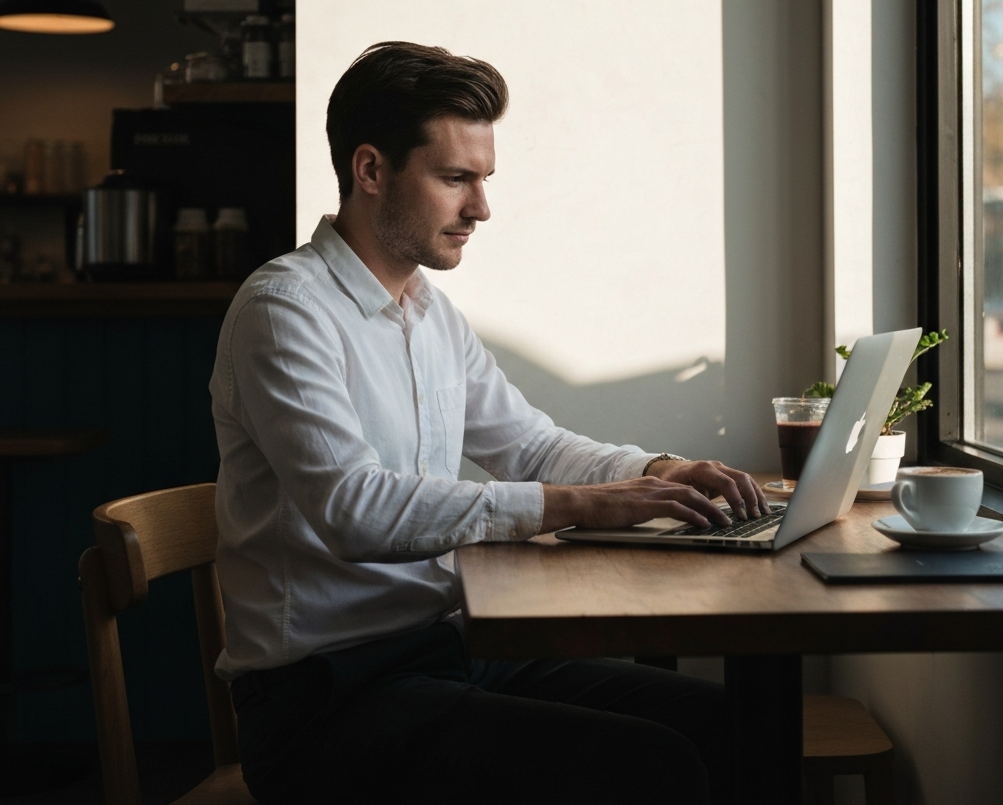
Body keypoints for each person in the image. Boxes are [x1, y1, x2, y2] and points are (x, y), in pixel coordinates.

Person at [211, 41, 768, 804]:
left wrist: (657, 470)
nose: (481, 208)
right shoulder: (285, 311)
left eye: (483, 180)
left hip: (443, 652)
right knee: (644, 764)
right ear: (370, 171)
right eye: (455, 179)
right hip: (323, 701)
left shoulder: (429, 313)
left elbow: (528, 444)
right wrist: (576, 505)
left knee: (737, 724)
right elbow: (351, 511)